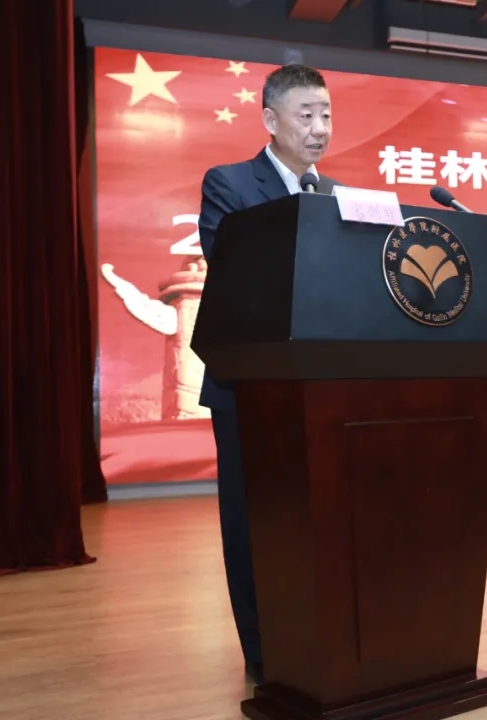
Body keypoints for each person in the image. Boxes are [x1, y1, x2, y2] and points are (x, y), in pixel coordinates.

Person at [196, 63, 340, 686]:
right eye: (306, 115)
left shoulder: (334, 193)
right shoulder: (228, 183)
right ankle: (264, 651)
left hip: (319, 389)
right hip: (249, 387)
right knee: (252, 522)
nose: (319, 128)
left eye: (326, 115)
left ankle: (317, 636)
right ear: (270, 120)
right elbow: (230, 266)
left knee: (315, 518)